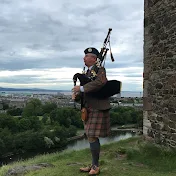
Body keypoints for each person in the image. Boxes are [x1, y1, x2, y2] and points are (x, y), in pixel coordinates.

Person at [72, 47, 111, 175]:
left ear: (94, 58)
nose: (84, 58)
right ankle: (94, 165)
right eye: (84, 56)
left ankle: (95, 166)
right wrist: (76, 95)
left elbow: (100, 82)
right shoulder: (87, 73)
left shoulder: (100, 70)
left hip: (98, 107)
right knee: (90, 136)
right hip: (88, 108)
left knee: (92, 135)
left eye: (87, 56)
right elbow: (86, 92)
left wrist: (81, 88)